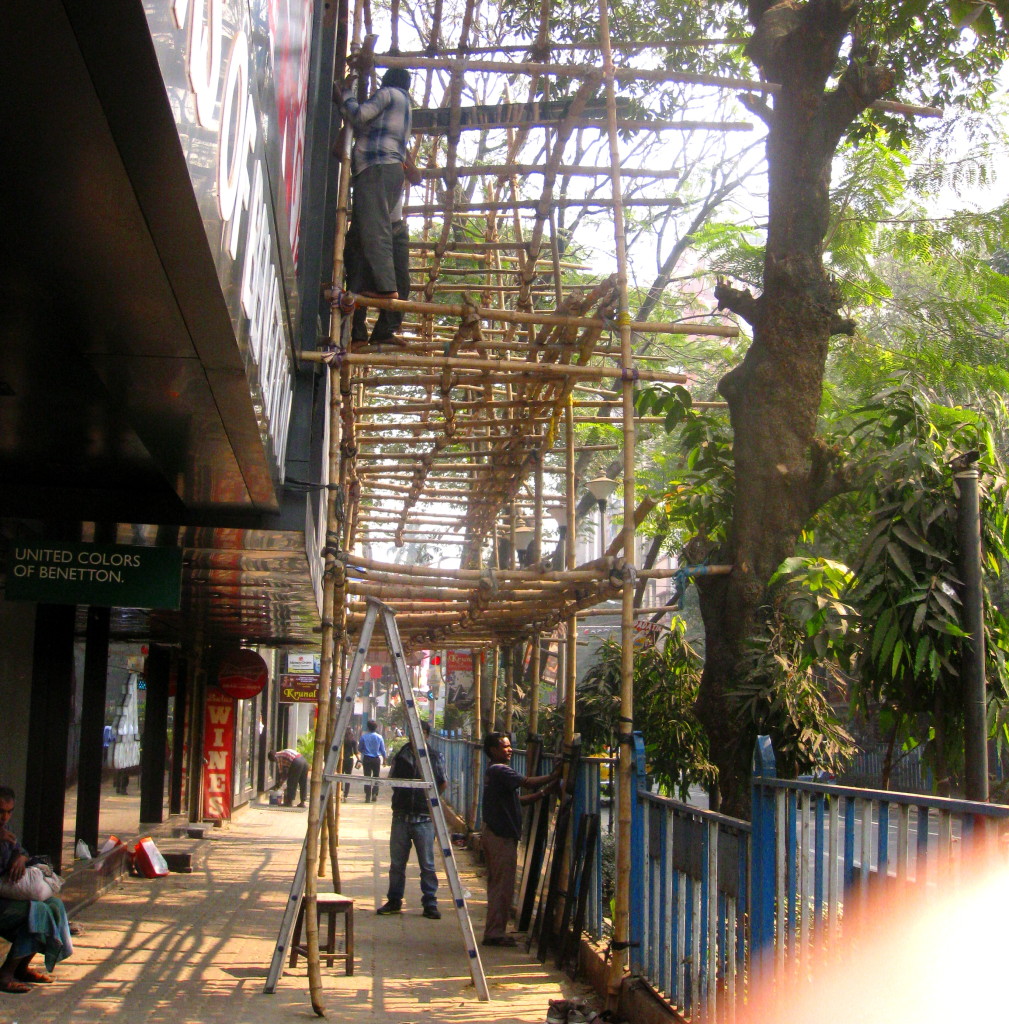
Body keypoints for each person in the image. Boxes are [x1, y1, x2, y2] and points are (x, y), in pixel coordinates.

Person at [338, 66, 413, 344]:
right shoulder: (405, 107)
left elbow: (357, 114)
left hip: (375, 166)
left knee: (373, 232)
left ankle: (384, 289)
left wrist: (345, 95)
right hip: (388, 168)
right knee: (370, 236)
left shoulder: (388, 95)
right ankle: (369, 326)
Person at [479, 733, 562, 947]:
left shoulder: (493, 772)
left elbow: (517, 801)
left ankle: (495, 929)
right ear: (493, 749)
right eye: (505, 747)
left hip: (495, 834)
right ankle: (495, 933)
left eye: (510, 746)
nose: (509, 750)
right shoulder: (500, 770)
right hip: (500, 836)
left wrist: (544, 793)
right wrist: (554, 775)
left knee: (498, 885)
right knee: (502, 887)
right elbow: (526, 782)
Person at [0, 786, 73, 993]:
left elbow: (22, 851)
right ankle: (6, 973)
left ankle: (21, 968)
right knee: (37, 912)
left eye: (9, 812)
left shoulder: (7, 833)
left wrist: (20, 859)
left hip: (9, 897)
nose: (4, 817)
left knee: (54, 905)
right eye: (0, 812)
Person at [377, 721, 447, 919]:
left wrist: (429, 803)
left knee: (427, 865)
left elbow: (442, 783)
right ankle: (394, 900)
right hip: (401, 816)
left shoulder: (434, 757)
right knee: (397, 864)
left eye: (421, 732)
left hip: (424, 819)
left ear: (426, 735)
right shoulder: (402, 755)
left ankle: (430, 903)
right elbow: (393, 780)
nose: (415, 736)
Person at [357, 721, 386, 802]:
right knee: (376, 776)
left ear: (368, 728)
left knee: (367, 777)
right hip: (376, 759)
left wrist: (365, 751)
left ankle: (367, 795)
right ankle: (374, 793)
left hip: (367, 759)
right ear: (376, 728)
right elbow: (383, 750)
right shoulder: (379, 737)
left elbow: (359, 749)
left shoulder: (363, 737)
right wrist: (384, 760)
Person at [341, 726, 358, 801]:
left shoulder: (341, 740)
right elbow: (355, 752)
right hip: (350, 759)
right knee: (348, 777)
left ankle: (340, 792)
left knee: (340, 777)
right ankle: (345, 795)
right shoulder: (353, 740)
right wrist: (359, 760)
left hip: (341, 760)